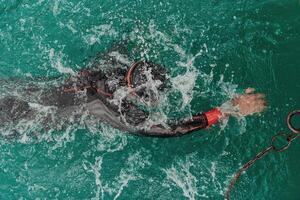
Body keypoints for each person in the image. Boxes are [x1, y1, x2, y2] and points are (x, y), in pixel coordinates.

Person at [0, 45, 267, 137]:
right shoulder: (112, 110)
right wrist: (227, 109)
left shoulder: (106, 65)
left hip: (16, 88)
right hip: (12, 120)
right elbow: (171, 131)